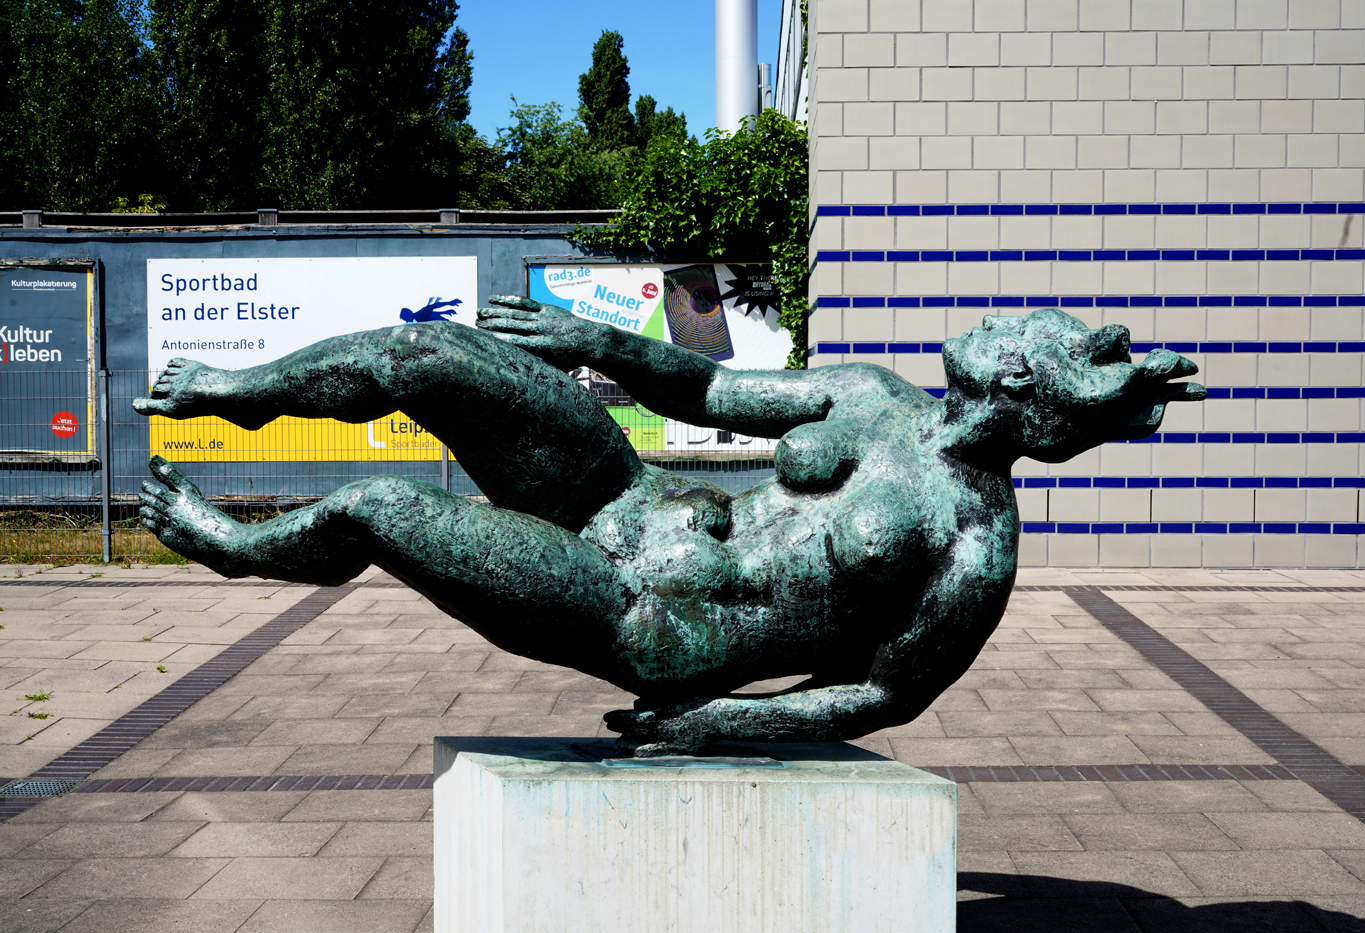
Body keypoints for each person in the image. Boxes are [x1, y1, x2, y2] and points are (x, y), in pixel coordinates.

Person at [134, 298, 1204, 756]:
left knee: (378, 509)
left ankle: (232, 546)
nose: (999, 317)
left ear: (1021, 384)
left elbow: (890, 693)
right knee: (432, 360)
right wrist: (588, 336)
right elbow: (705, 387)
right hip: (624, 497)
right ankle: (234, 385)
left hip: (647, 616)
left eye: (1024, 329)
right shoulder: (875, 397)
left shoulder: (974, 539)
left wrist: (718, 723)